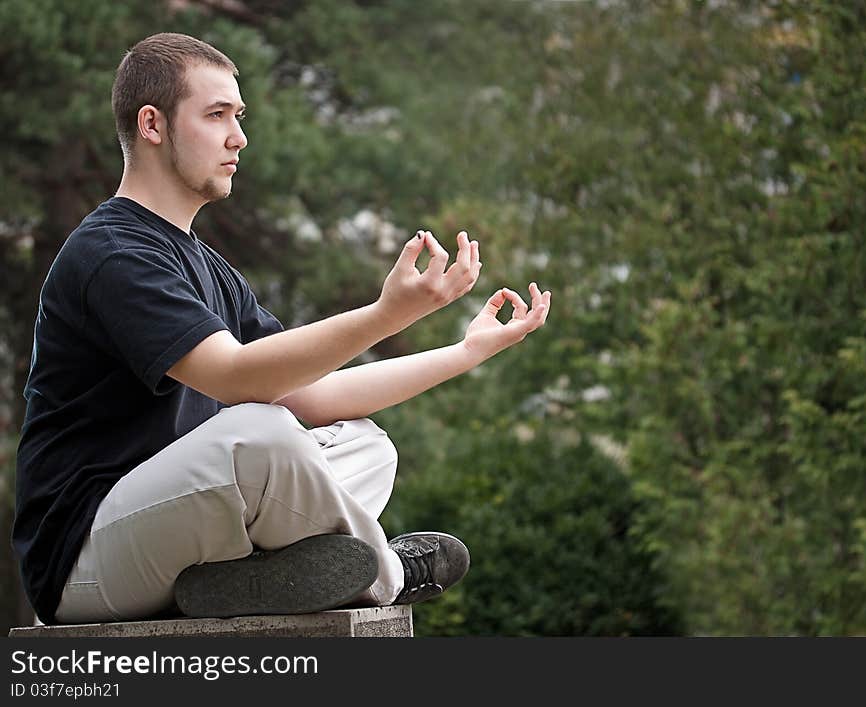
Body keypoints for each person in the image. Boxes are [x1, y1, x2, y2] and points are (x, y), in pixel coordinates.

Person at [13, 32, 551, 625]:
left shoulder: (208, 266)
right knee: (259, 432)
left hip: (180, 538)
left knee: (366, 445)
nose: (238, 137)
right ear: (152, 124)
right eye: (216, 115)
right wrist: (385, 314)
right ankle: (389, 572)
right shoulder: (113, 252)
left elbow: (312, 397)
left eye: (238, 116)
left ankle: (241, 582)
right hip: (85, 561)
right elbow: (235, 378)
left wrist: (463, 351)